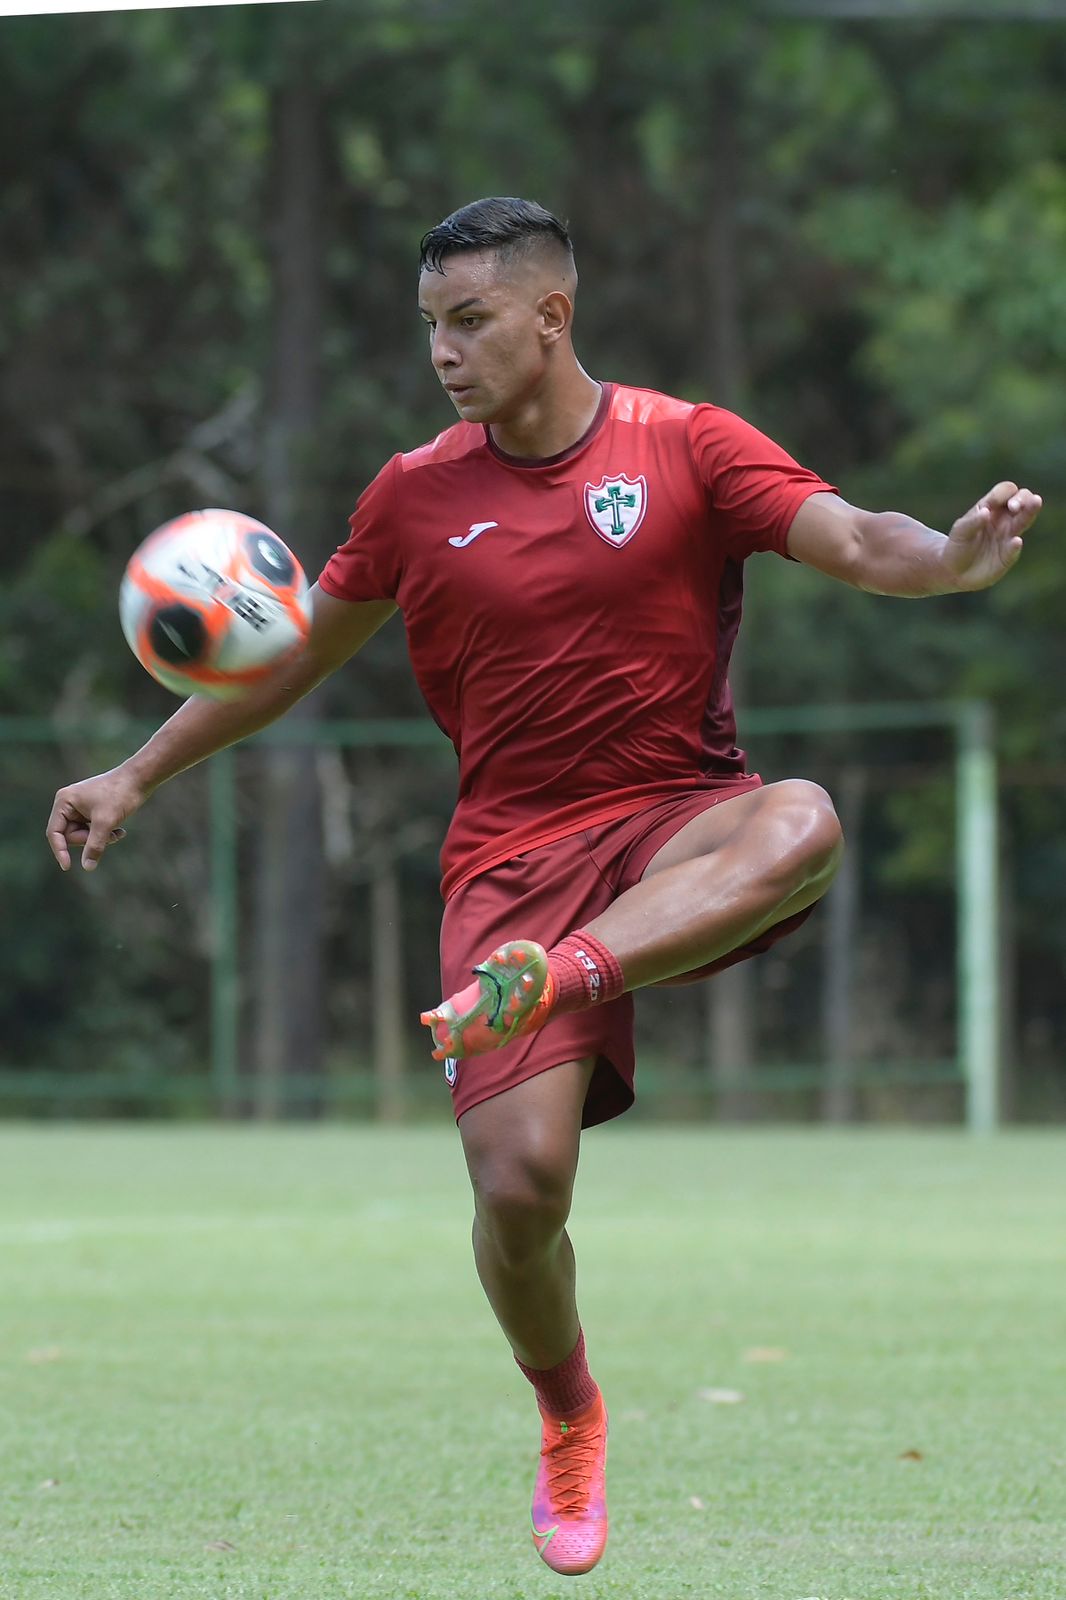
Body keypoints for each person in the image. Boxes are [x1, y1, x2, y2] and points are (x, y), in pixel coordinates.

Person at [46, 196, 1041, 1579]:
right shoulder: (412, 493)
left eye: (468, 322)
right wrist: (136, 774)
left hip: (675, 833)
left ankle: (566, 978)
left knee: (801, 816)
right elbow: (285, 659)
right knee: (521, 1192)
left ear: (549, 316)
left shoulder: (686, 445)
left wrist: (949, 562)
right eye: (429, 328)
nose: (443, 354)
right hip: (509, 864)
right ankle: (568, 1410)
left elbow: (863, 540)